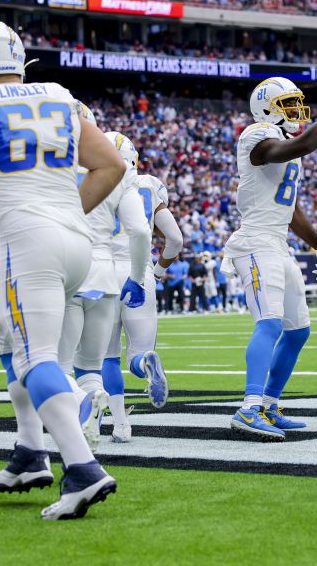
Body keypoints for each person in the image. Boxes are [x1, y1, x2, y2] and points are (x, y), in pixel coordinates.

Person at [0, 20, 125, 519]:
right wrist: (64, 216)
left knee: (36, 360)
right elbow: (110, 165)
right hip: (75, 242)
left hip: (26, 239)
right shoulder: (59, 94)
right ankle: (29, 452)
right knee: (14, 349)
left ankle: (82, 470)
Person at [223, 72, 317, 441]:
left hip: (278, 243)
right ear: (265, 109)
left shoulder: (285, 141)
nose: (295, 110)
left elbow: (289, 208)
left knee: (298, 331)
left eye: (295, 102)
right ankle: (249, 407)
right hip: (256, 242)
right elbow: (304, 145)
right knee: (271, 323)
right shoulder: (256, 135)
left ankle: (270, 405)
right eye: (286, 104)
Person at [59, 123, 152, 451]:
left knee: (56, 364)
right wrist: (138, 278)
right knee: (92, 365)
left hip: (68, 268)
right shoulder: (124, 174)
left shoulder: (60, 167)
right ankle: (93, 417)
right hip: (106, 273)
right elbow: (140, 232)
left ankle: (83, 407)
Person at [107, 141, 184, 441]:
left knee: (107, 357)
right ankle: (144, 364)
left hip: (102, 270)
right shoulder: (150, 186)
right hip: (140, 271)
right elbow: (175, 240)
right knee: (136, 354)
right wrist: (157, 271)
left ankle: (120, 426)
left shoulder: (89, 181)